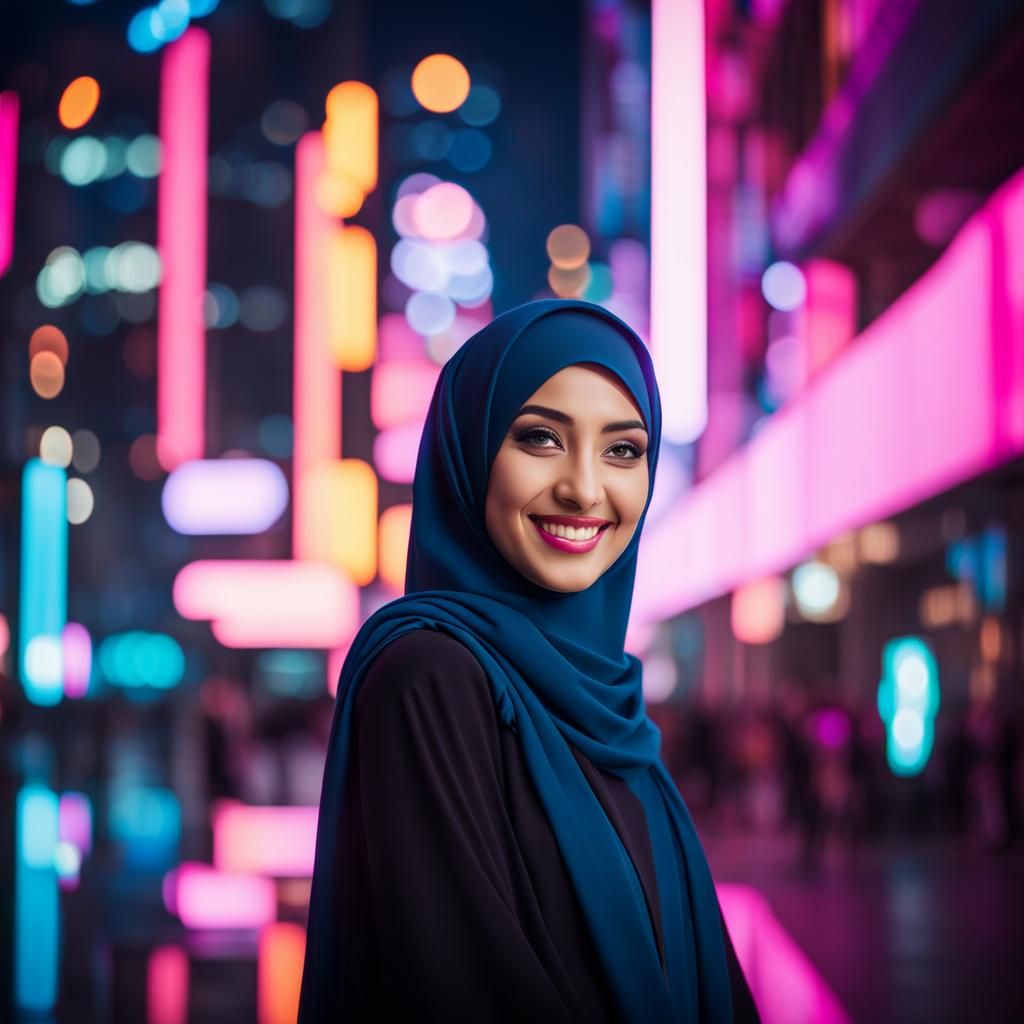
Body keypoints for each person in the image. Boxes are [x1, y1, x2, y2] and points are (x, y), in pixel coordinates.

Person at [298, 299, 759, 1023]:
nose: (584, 488)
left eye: (623, 450)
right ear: (470, 454)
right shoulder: (429, 676)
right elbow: (460, 985)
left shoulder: (614, 710)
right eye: (541, 438)